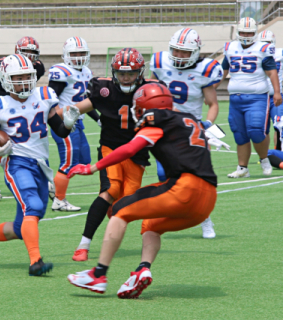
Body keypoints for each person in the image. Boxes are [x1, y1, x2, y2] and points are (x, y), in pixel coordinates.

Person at [67, 83, 217, 299]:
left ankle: (98, 275)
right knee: (151, 225)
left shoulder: (156, 120)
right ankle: (142, 269)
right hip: (207, 200)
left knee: (119, 209)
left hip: (184, 188)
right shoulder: (188, 119)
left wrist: (92, 168)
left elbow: (129, 149)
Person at [0, 54, 80, 276]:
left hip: (41, 165)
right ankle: (35, 262)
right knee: (34, 206)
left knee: (21, 229)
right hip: (17, 164)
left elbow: (58, 129)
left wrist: (67, 124)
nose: (23, 81)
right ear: (5, 79)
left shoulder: (44, 95)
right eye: (17, 77)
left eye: (27, 76)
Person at [69, 48, 161, 262]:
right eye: (121, 73)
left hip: (136, 153)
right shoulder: (104, 89)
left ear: (140, 73)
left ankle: (112, 212)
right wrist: (66, 116)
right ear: (114, 73)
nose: (126, 78)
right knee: (110, 189)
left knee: (126, 201)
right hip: (110, 148)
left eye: (130, 73)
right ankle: (84, 245)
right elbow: (79, 108)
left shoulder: (150, 89)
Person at [150, 28, 223, 239]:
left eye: (185, 52)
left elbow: (212, 104)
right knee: (165, 174)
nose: (180, 55)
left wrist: (206, 124)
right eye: (176, 50)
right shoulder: (159, 63)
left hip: (190, 129)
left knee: (196, 177)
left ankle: (204, 218)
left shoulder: (205, 69)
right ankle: (168, 213)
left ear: (196, 51)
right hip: (163, 126)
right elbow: (149, 90)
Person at [218, 17, 282, 178]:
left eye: (249, 32)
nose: (246, 35)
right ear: (238, 32)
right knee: (239, 134)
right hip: (235, 98)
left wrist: (276, 91)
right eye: (243, 32)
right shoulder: (230, 47)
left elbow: (271, 71)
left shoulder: (263, 48)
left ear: (255, 33)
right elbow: (223, 70)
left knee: (256, 131)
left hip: (257, 97)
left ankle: (264, 159)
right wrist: (211, 87)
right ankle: (242, 168)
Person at [0, 36, 46, 195]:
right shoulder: (4, 65)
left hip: (25, 109)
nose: (29, 55)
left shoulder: (38, 68)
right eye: (25, 52)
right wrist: (14, 96)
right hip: (7, 109)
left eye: (32, 52)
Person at [48, 36, 100, 211]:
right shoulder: (61, 72)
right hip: (64, 123)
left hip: (78, 122)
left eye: (82, 53)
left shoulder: (86, 72)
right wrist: (57, 121)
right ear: (65, 55)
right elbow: (50, 99)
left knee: (84, 160)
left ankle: (53, 185)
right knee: (68, 162)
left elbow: (85, 100)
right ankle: (59, 200)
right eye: (74, 53)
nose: (78, 56)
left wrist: (98, 118)